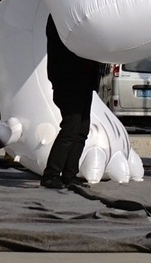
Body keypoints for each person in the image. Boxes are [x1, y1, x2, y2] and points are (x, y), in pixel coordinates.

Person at [40, 14, 102, 189]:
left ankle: (70, 174)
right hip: (68, 81)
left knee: (81, 129)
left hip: (85, 81)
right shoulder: (59, 20)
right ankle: (51, 174)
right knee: (70, 127)